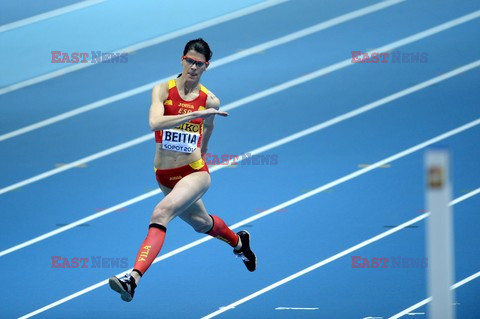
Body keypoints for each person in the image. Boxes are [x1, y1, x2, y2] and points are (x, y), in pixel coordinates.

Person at [109, 38, 257, 302]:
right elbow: (155, 123)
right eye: (189, 61)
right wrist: (190, 116)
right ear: (182, 59)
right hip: (164, 175)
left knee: (161, 212)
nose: (193, 67)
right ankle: (239, 243)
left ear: (206, 66)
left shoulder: (209, 100)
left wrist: (205, 148)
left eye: (199, 64)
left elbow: (209, 126)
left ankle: (132, 279)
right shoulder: (162, 90)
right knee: (201, 224)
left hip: (194, 173)